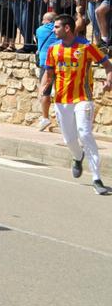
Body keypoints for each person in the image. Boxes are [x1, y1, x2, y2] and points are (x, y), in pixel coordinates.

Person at [40, 14, 112, 195]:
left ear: (67, 28)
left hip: (83, 98)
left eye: (56, 27)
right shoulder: (53, 49)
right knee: (69, 139)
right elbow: (48, 74)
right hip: (62, 100)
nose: (53, 29)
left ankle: (96, 178)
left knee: (85, 133)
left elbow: (107, 65)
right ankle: (78, 156)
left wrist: (109, 80)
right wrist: (43, 89)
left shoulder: (86, 47)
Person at [34, 12, 59, 131]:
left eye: (43, 20)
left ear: (47, 21)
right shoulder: (59, 30)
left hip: (45, 62)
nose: (42, 22)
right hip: (59, 62)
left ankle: (45, 118)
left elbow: (37, 40)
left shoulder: (40, 30)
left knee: (45, 91)